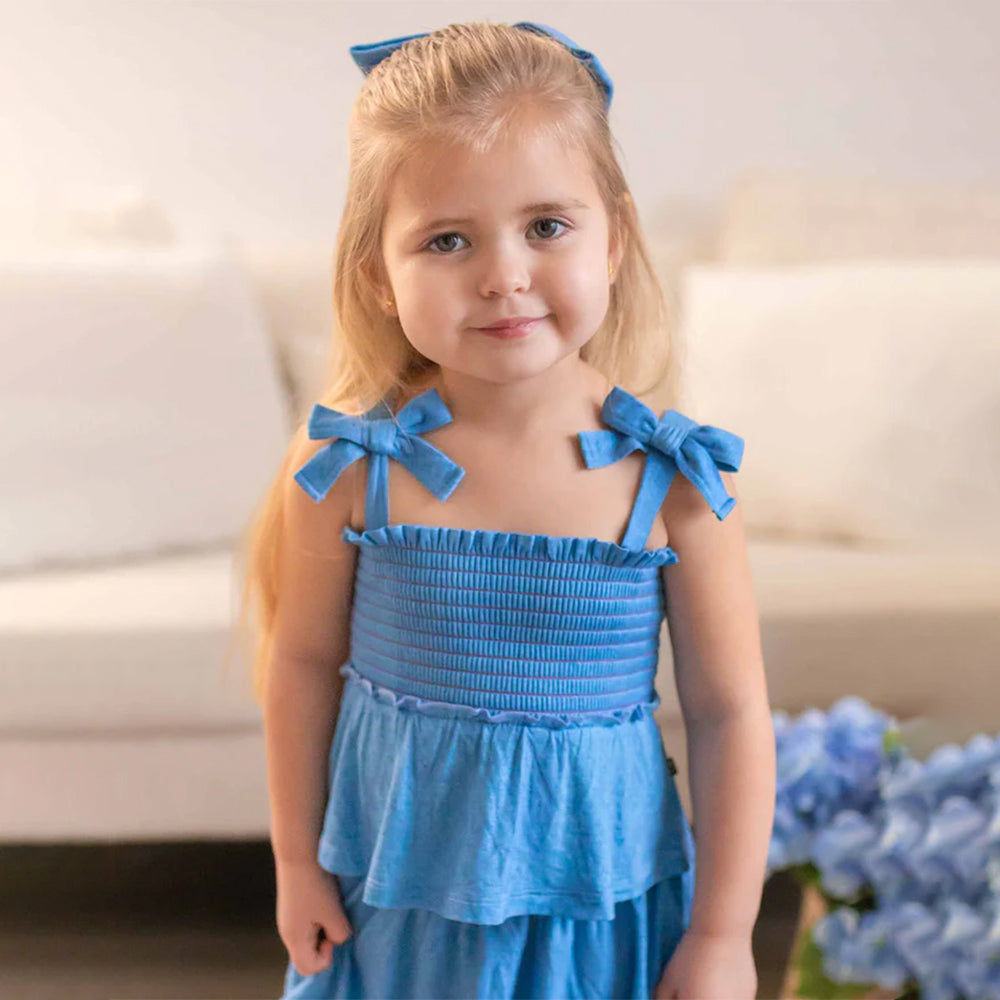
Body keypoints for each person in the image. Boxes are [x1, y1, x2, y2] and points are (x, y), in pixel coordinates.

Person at [235, 19, 775, 1000]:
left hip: (598, 921)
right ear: (377, 276)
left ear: (614, 239)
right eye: (447, 239)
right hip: (398, 916)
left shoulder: (674, 483)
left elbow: (730, 713)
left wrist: (724, 935)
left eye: (546, 226)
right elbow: (302, 662)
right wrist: (296, 863)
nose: (503, 274)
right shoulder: (352, 467)